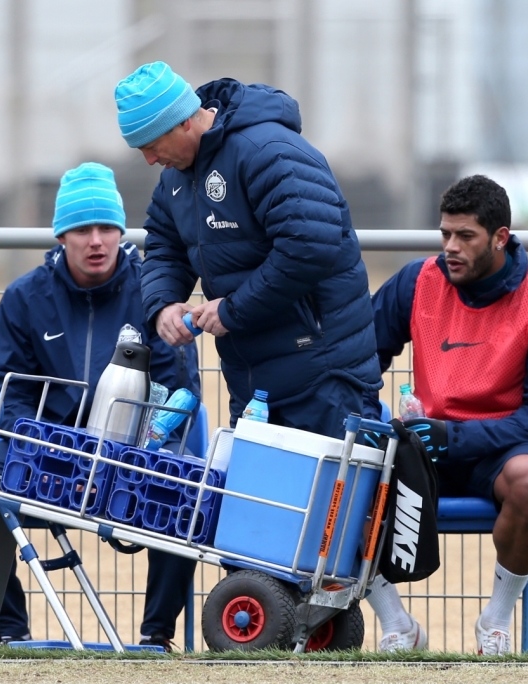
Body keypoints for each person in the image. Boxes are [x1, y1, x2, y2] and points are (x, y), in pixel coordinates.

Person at [0, 162, 201, 650]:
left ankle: (157, 636)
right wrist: (34, 439)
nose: (96, 240)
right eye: (82, 229)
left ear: (122, 232)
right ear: (61, 237)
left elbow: (181, 387)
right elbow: (3, 388)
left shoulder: (155, 297)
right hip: (47, 453)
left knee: (187, 490)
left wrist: (142, 446)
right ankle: (9, 629)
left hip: (133, 454)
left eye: (107, 228)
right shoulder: (25, 298)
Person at [364, 175, 528, 655]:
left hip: (504, 451)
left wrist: (453, 439)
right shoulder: (416, 280)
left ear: (500, 237)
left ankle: (495, 622)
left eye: (466, 236)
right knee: (343, 463)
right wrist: (371, 422)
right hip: (426, 444)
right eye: (445, 234)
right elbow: (359, 359)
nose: (451, 248)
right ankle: (398, 625)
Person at [113, 61, 380, 440]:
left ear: (183, 122)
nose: (151, 160)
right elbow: (163, 245)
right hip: (252, 385)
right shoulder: (175, 179)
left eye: (153, 146)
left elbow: (309, 246)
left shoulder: (268, 151)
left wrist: (233, 311)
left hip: (323, 378)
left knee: (330, 500)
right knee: (257, 500)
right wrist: (163, 304)